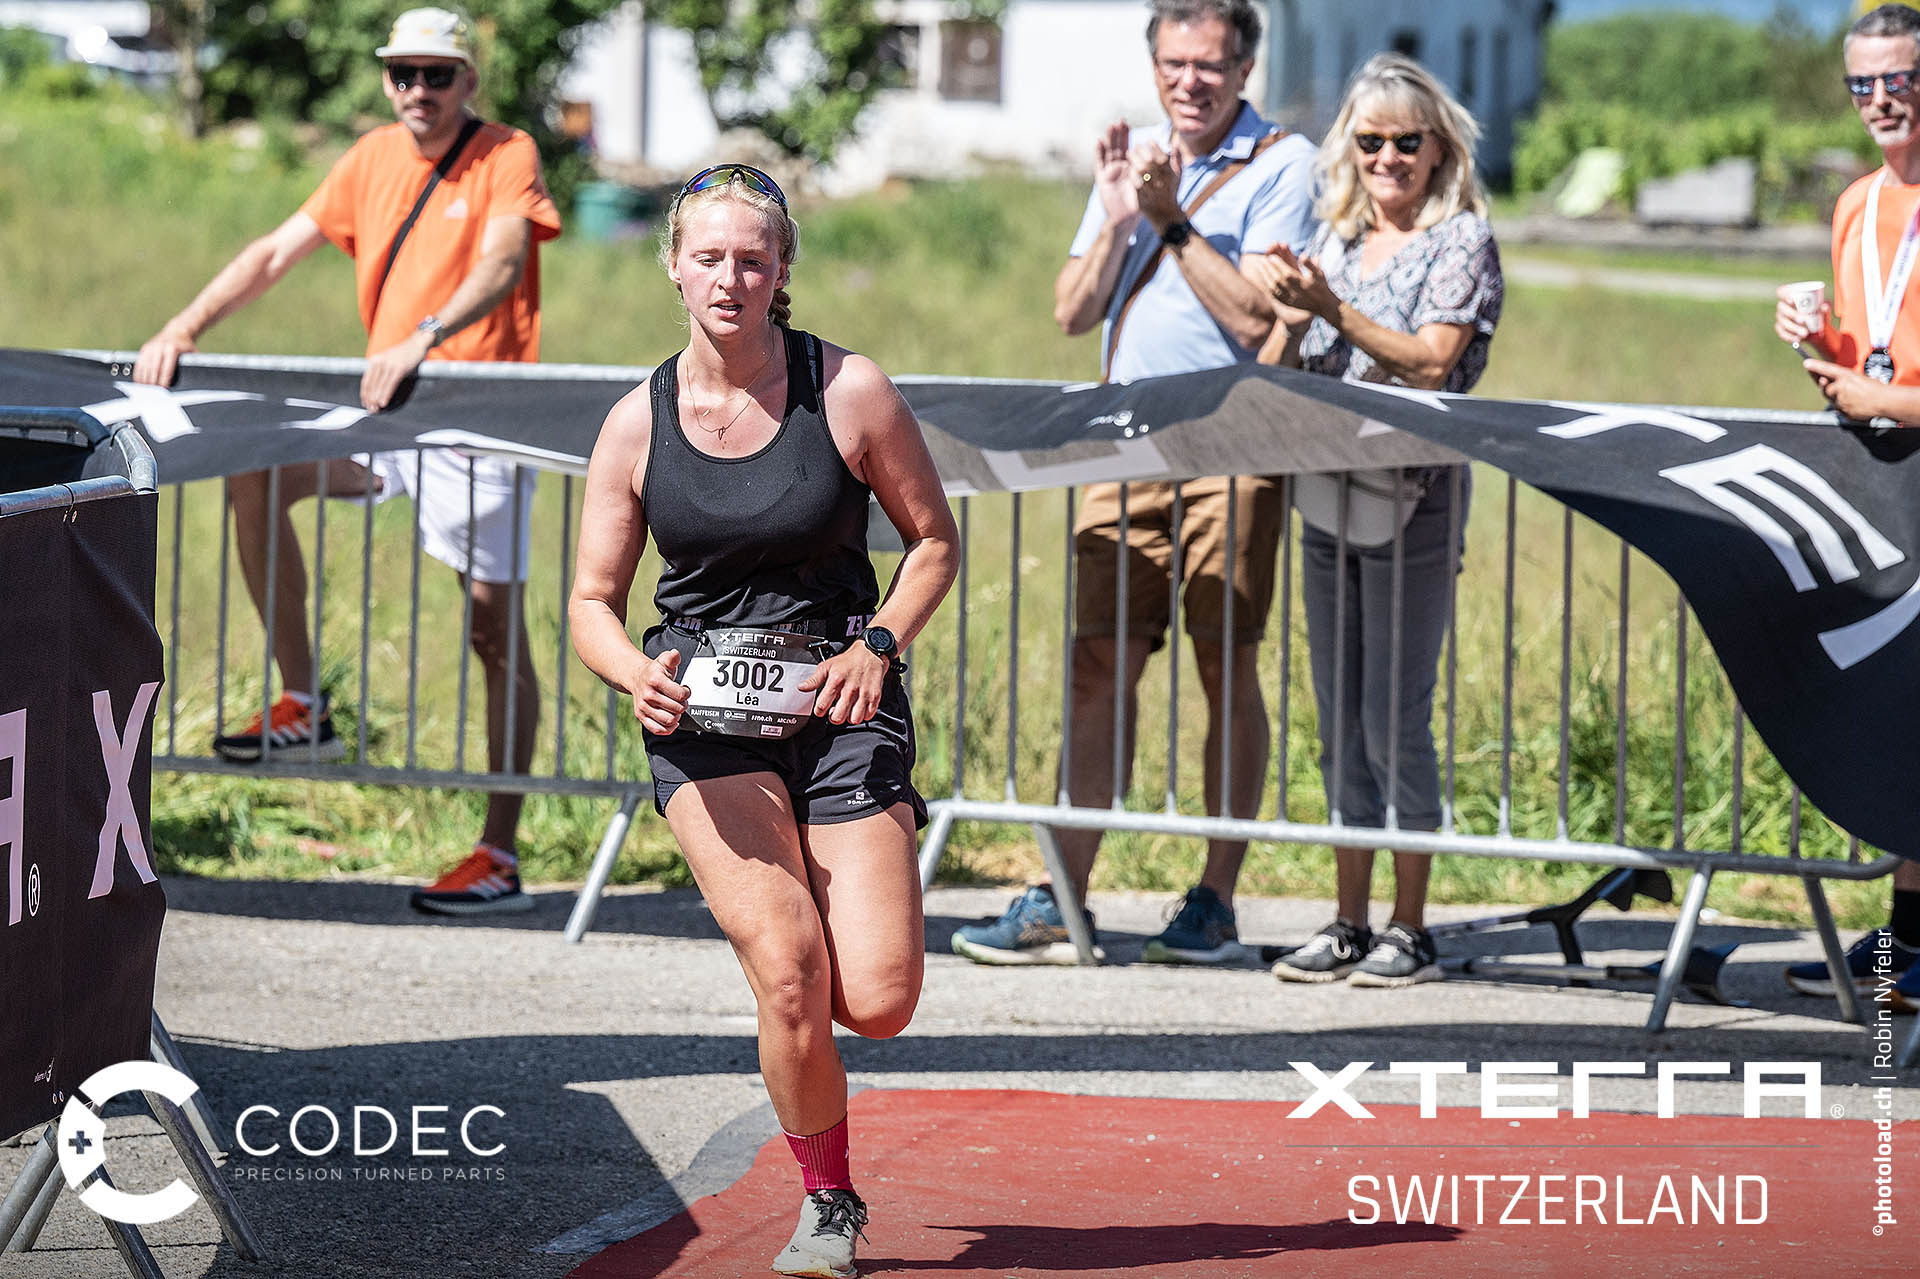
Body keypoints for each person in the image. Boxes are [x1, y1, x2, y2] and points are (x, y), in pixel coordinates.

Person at [568, 164, 959, 1276]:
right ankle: (829, 1201)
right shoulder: (635, 422)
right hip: (704, 726)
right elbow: (591, 601)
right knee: (789, 969)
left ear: (783, 268)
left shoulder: (850, 392)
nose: (730, 278)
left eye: (752, 258)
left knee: (875, 1001)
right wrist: (631, 675)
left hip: (841, 710)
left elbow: (934, 542)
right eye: (709, 257)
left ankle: (825, 942)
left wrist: (876, 646)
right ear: (674, 267)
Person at [133, 8, 560, 915]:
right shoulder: (369, 157)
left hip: (472, 415)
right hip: (387, 409)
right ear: (386, 79)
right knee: (257, 469)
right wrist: (184, 325)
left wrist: (423, 336)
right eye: (403, 73)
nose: (418, 90)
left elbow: (502, 260)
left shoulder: (508, 152)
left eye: (437, 74)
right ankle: (304, 705)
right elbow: (275, 252)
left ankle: (501, 853)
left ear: (468, 81)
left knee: (493, 635)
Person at [951, 0, 1316, 967]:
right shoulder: (1136, 160)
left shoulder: (1282, 164)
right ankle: (1061, 898)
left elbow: (1260, 322)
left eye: (1210, 64)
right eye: (1173, 63)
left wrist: (1170, 220)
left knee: (1223, 663)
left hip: (1233, 447)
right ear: (1154, 65)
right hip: (1121, 449)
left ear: (1244, 69)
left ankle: (1215, 899)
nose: (1189, 82)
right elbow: (1071, 310)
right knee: (1096, 663)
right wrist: (1119, 218)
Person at [1250, 53, 1502, 989]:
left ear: (1440, 150)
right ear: (1348, 149)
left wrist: (1332, 306)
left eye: (1406, 140)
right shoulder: (1336, 239)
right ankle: (1350, 918)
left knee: (1398, 718)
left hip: (1413, 499)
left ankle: (1411, 924)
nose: (1387, 157)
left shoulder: (1462, 240)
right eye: (1370, 140)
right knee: (1340, 719)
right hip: (1328, 493)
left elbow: (1432, 361)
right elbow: (1277, 373)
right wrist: (1290, 315)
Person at [1773, 2, 1920, 1014]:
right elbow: (1863, 367)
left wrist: (1879, 397)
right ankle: (1909, 931)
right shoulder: (1856, 205)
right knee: (1903, 719)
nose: (1879, 100)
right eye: (1861, 85)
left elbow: (1888, 388)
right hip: (1887, 489)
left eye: (1898, 80)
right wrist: (1812, 341)